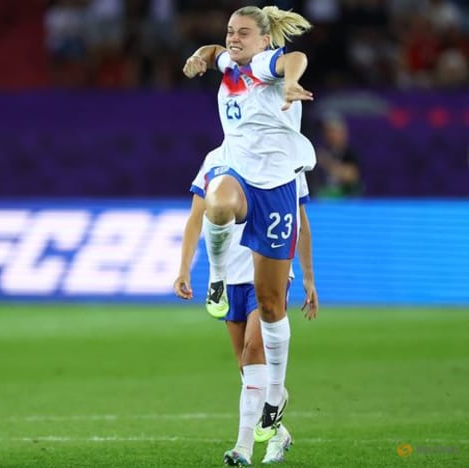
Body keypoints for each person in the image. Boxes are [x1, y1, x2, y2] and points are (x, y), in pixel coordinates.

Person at [180, 5, 315, 466]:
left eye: (243, 33)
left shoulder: (265, 64)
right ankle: (217, 277)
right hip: (240, 180)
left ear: (262, 40)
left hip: (276, 190)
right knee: (217, 200)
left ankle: (276, 397)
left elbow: (292, 60)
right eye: (230, 31)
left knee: (273, 306)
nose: (234, 39)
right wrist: (202, 56)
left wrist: (292, 81)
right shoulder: (230, 62)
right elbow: (215, 50)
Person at [174, 150, 319, 465]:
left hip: (269, 270)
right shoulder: (215, 160)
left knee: (255, 350)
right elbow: (196, 218)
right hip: (230, 278)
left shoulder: (286, 155)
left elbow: (300, 220)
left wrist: (308, 275)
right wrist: (184, 268)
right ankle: (277, 427)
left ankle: (242, 448)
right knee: (247, 367)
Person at [310, 113, 363, 198]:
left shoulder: (350, 153)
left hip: (345, 199)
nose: (329, 135)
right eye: (326, 131)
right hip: (320, 198)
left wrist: (327, 163)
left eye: (332, 131)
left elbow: (351, 176)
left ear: (342, 133)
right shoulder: (320, 151)